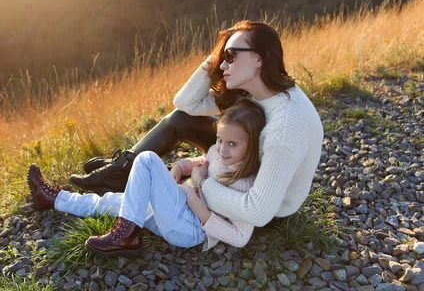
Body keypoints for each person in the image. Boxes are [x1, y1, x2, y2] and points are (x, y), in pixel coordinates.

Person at [70, 20, 324, 227]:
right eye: (223, 56)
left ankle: (116, 190)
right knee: (181, 119)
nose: (223, 64)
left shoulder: (286, 126)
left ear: (260, 58)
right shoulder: (254, 91)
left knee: (168, 192)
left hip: (264, 203)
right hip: (246, 158)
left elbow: (258, 212)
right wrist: (216, 58)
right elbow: (185, 104)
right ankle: (121, 171)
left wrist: (200, 184)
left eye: (231, 55)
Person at [27, 99, 266, 256]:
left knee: (147, 160)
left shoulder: (245, 182)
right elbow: (200, 162)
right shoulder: (218, 153)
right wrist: (179, 167)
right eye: (220, 140)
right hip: (175, 209)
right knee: (112, 202)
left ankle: (126, 236)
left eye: (233, 144)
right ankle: (55, 199)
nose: (222, 149)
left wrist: (198, 205)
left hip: (190, 228)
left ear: (252, 147)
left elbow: (240, 236)